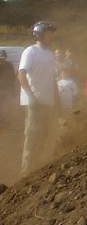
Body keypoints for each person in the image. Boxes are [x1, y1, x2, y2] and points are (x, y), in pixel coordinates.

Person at [18, 21, 59, 174]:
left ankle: (41, 170)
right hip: (34, 103)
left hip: (48, 102)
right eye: (49, 33)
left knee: (47, 136)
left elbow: (52, 79)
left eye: (52, 33)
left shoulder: (50, 54)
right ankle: (26, 173)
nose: (52, 36)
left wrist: (57, 100)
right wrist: (31, 97)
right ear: (40, 34)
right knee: (32, 138)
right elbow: (21, 74)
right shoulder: (31, 51)